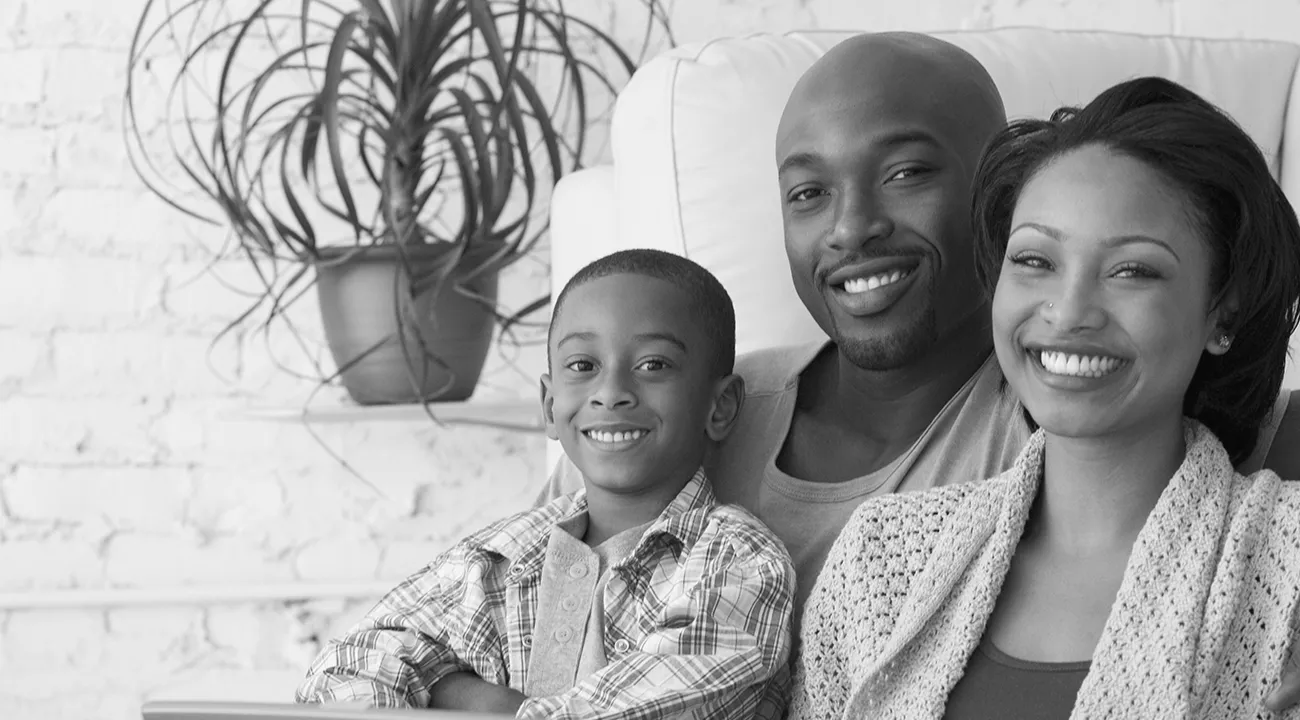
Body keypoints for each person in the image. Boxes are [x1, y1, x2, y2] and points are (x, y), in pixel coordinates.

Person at [534, 31, 1300, 708]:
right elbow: (513, 603)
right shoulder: (689, 401)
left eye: (905, 174)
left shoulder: (1248, 534)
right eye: (808, 191)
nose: (850, 227)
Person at [791, 76, 1300, 718]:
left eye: (1132, 270)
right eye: (1034, 260)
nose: (1068, 313)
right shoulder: (880, 558)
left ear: (1222, 314)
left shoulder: (1286, 563)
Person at [297, 249, 796, 719]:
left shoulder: (738, 561)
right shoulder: (502, 554)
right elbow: (341, 671)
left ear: (721, 405)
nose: (611, 392)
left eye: (653, 365)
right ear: (549, 404)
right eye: (583, 366)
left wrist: (455, 693)